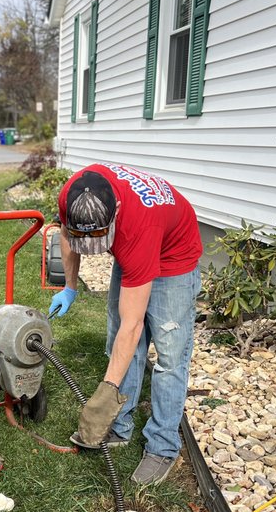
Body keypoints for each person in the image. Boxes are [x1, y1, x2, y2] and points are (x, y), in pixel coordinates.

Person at [49, 164, 202, 484]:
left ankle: (163, 446)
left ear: (115, 210)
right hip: (134, 245)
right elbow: (65, 232)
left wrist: (104, 395)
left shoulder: (136, 228)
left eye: (100, 240)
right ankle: (119, 427)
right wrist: (70, 286)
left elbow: (131, 327)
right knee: (121, 344)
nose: (94, 251)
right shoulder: (73, 195)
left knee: (169, 357)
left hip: (172, 255)